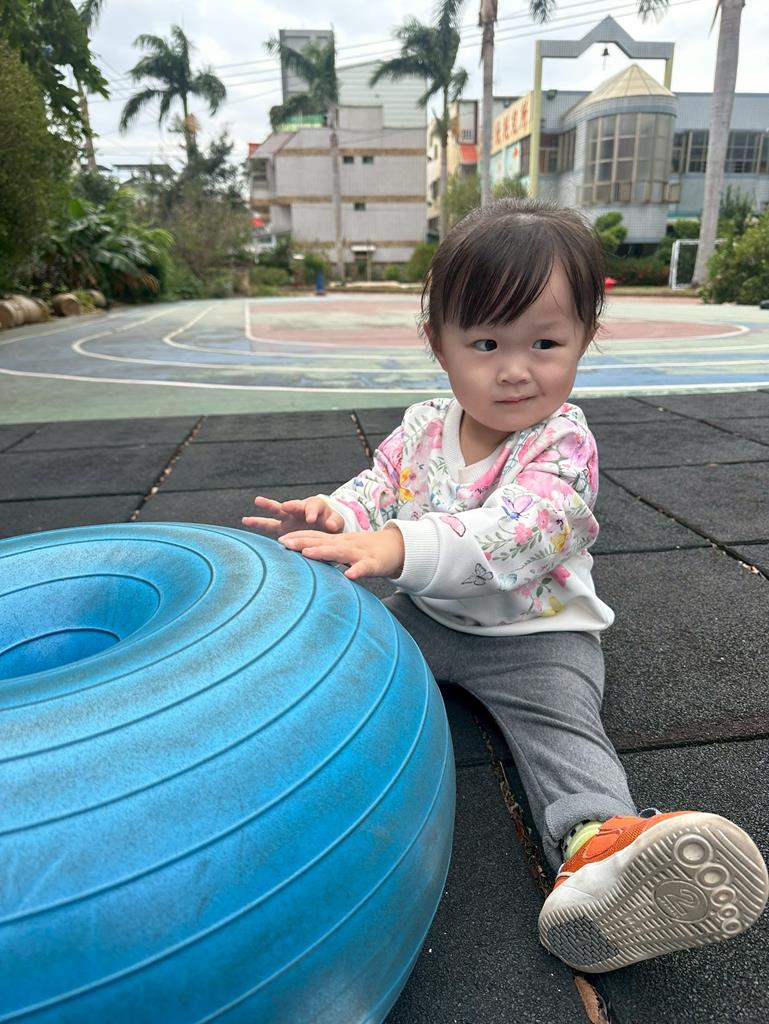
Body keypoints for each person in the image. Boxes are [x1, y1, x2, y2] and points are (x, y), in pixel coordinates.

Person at [242, 199, 768, 973]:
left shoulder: (562, 444)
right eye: (486, 343)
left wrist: (395, 544)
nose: (515, 369)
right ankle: (270, 794)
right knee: (339, 670)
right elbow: (378, 489)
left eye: (545, 343)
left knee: (561, 729)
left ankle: (599, 851)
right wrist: (337, 513)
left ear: (584, 337)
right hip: (429, 615)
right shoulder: (421, 427)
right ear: (439, 344)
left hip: (537, 635)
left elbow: (522, 532)